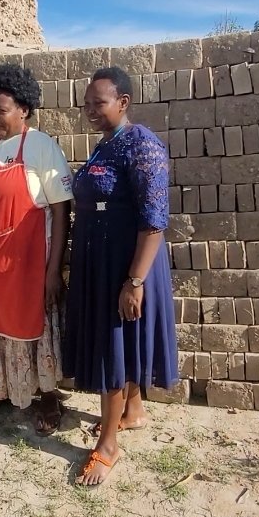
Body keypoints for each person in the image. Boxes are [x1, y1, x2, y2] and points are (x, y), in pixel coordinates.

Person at [64, 66, 179, 486]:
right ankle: (133, 412)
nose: (91, 110)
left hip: (128, 263)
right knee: (118, 338)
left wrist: (134, 281)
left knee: (113, 342)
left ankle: (108, 446)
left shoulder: (141, 144)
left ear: (123, 102)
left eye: (100, 102)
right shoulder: (104, 145)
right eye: (87, 103)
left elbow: (154, 221)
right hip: (102, 259)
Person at [0, 63, 73, 435]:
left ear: (23, 110)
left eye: (1, 109)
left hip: (27, 264)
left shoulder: (41, 146)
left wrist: (53, 270)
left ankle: (46, 395)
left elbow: (61, 210)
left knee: (33, 326)